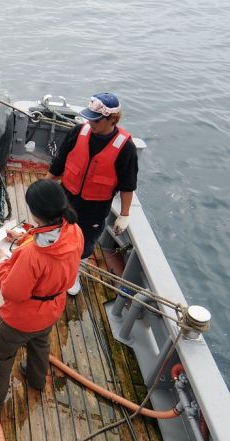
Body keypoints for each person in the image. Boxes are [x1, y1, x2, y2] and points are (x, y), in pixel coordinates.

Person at [0, 180, 84, 405]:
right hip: (52, 309)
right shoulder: (74, 231)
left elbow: (12, 292)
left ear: (36, 214)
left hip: (22, 319)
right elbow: (48, 243)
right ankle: (36, 378)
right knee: (40, 344)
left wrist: (3, 261)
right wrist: (21, 238)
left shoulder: (33, 256)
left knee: (1, 354)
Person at [42, 92, 139, 295]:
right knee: (55, 229)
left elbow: (127, 185)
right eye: (89, 118)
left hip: (95, 207)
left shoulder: (126, 148)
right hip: (66, 195)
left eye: (96, 120)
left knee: (84, 242)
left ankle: (74, 274)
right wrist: (45, 183)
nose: (90, 123)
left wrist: (125, 214)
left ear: (112, 119)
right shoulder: (78, 132)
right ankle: (49, 263)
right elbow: (60, 161)